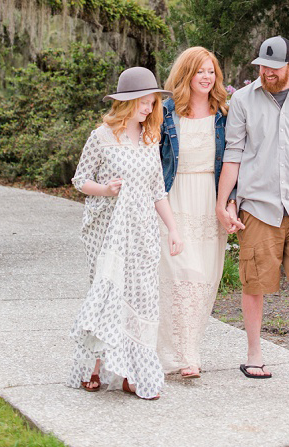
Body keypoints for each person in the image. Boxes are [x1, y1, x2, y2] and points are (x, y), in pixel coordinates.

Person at [215, 36, 289, 381]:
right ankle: (254, 354)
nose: (266, 72)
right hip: (259, 205)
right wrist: (223, 203)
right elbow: (232, 154)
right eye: (262, 66)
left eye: (273, 68)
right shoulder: (243, 100)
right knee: (255, 281)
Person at [68, 67, 183, 400]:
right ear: (128, 102)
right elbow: (80, 180)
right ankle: (94, 367)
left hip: (143, 231)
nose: (149, 109)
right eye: (144, 102)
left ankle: (133, 373)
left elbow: (158, 190)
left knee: (141, 298)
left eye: (152, 103)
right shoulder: (101, 136)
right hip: (108, 233)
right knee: (108, 295)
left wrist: (173, 229)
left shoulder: (151, 138)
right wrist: (104, 189)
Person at [156, 47, 229, 379]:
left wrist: (230, 202)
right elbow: (151, 159)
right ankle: (187, 356)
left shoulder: (223, 114)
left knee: (205, 280)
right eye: (200, 71)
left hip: (209, 201)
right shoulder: (166, 112)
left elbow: (234, 161)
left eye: (211, 71)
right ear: (186, 74)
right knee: (183, 276)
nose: (206, 77)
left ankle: (188, 348)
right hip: (175, 199)